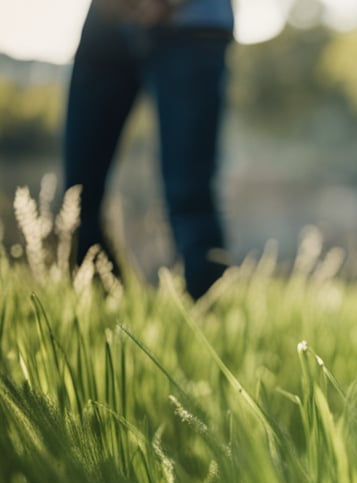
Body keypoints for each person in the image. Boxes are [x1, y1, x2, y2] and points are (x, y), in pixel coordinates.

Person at [63, 0, 235, 299]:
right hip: (107, 19)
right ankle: (105, 317)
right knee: (77, 197)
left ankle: (210, 325)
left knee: (189, 197)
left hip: (192, 21)